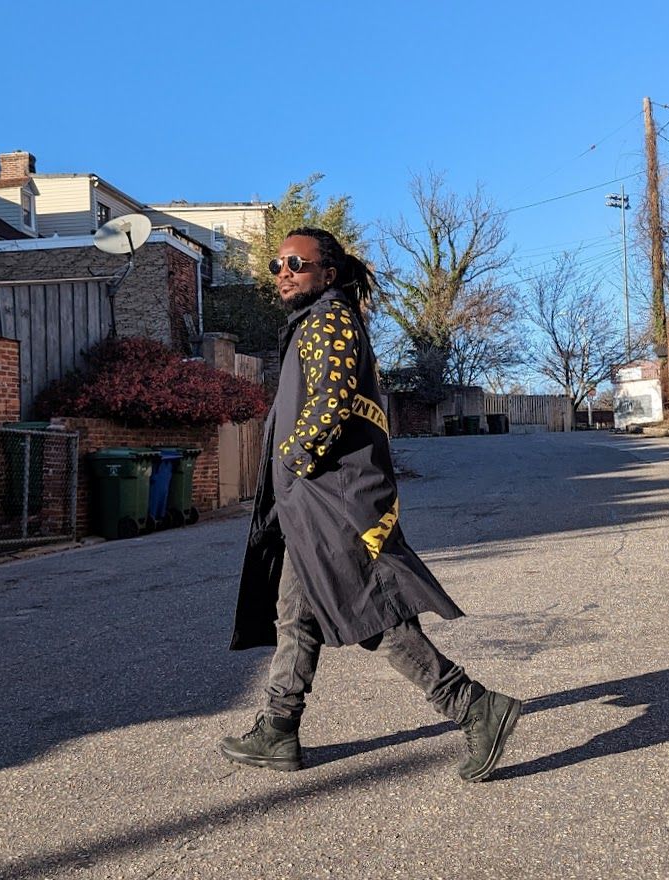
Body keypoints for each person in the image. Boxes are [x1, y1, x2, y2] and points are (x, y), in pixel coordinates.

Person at [220, 228, 520, 782]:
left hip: (332, 501)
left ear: (328, 274)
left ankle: (474, 706)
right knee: (295, 614)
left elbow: (330, 401)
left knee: (369, 613)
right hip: (309, 502)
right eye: (277, 265)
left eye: (296, 264)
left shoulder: (329, 319)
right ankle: (279, 728)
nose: (284, 272)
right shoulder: (314, 322)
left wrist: (293, 456)